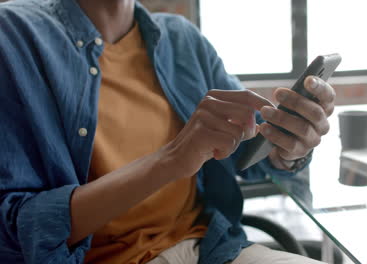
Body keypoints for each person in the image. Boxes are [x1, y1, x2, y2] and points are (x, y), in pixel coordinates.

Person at [0, 0, 336, 263]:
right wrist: (172, 160)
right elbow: (12, 232)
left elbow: (254, 158)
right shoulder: (13, 36)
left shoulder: (181, 38)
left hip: (211, 252)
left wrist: (290, 145)